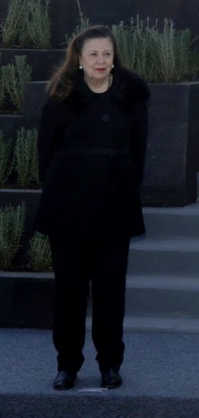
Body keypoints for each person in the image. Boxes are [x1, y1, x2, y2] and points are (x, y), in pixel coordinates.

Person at [35, 25, 150, 391]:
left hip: (115, 208)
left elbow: (139, 151)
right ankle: (67, 365)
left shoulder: (132, 97)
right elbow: (45, 154)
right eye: (93, 54)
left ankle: (110, 365)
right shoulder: (61, 97)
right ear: (79, 61)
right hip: (67, 209)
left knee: (110, 292)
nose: (101, 61)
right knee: (69, 292)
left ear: (114, 58)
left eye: (107, 53)